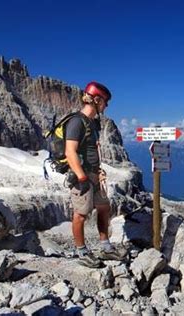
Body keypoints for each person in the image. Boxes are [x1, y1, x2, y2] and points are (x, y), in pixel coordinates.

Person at [65, 81, 125, 268]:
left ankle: (105, 247)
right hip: (82, 175)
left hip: (94, 174)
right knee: (81, 214)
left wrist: (96, 170)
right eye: (105, 102)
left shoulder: (91, 123)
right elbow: (70, 151)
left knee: (104, 207)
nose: (106, 106)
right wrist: (82, 177)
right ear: (96, 99)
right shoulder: (76, 121)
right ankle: (81, 251)